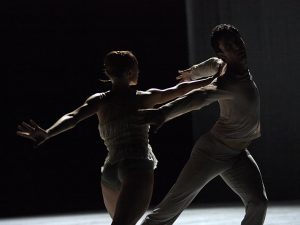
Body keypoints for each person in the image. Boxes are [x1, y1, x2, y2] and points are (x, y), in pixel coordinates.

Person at [16, 50, 228, 225]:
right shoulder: (143, 98)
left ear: (108, 73)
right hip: (136, 166)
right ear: (130, 72)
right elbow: (179, 90)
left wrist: (48, 132)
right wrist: (213, 79)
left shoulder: (100, 100)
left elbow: (73, 117)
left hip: (110, 170)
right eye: (136, 67)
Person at [138, 24, 268, 225]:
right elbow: (199, 97)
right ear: (222, 52)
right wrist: (163, 113)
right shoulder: (226, 82)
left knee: (258, 203)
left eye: (237, 41)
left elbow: (212, 63)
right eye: (229, 46)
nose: (237, 47)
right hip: (212, 153)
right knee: (168, 210)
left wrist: (192, 72)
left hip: (238, 153)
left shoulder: (223, 65)